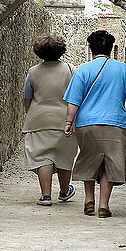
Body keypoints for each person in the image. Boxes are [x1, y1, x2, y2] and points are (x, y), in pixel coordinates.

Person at [63, 30, 126, 218]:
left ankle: (89, 201)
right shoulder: (123, 69)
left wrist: (68, 122)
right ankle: (103, 206)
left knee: (90, 159)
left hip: (87, 124)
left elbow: (73, 101)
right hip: (115, 123)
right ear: (111, 48)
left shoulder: (83, 70)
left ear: (91, 49)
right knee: (109, 163)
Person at [22, 35, 79, 205]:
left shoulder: (33, 72)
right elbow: (76, 96)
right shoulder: (71, 70)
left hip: (38, 120)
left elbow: (27, 98)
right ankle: (64, 191)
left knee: (42, 157)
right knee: (64, 156)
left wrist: (31, 114)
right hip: (64, 120)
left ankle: (46, 195)